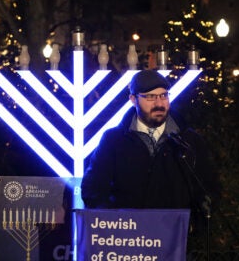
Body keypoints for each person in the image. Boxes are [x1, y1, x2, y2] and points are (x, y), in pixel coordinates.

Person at [81, 69, 220, 232]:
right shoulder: (113, 140)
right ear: (133, 99)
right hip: (127, 241)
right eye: (150, 97)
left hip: (175, 241)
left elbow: (208, 188)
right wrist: (114, 223)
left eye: (163, 95)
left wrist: (192, 225)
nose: (159, 104)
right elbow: (93, 189)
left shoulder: (189, 140)